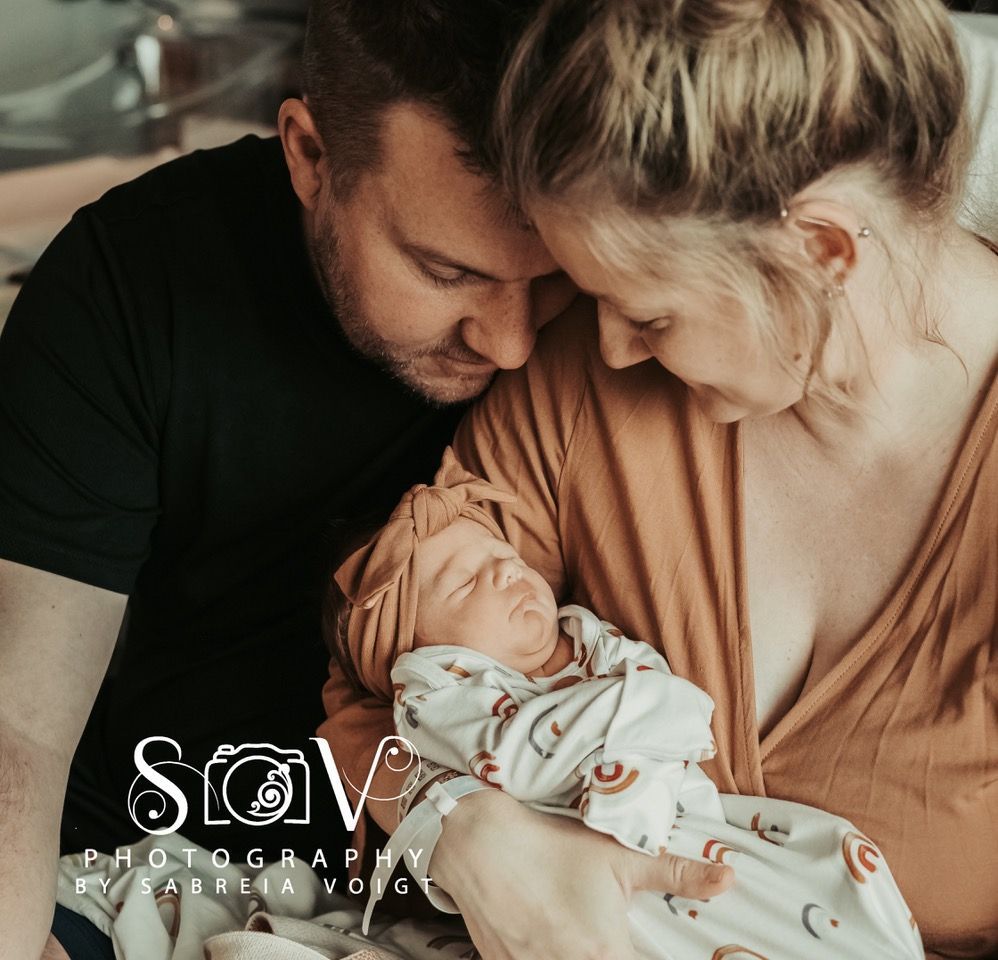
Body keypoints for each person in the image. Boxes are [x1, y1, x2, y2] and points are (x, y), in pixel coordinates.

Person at [318, 2, 998, 958]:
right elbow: (373, 684)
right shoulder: (582, 387)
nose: (610, 349)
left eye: (650, 315)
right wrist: (464, 833)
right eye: (592, 297)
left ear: (822, 253)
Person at [0, 2, 618, 958]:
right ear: (310, 154)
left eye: (550, 278)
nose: (512, 340)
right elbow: (16, 730)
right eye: (446, 272)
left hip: (475, 901)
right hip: (144, 871)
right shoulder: (135, 281)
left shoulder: (626, 313)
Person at [328, 452, 925, 959]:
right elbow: (525, 755)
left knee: (833, 862)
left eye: (502, 554)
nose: (506, 568)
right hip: (585, 859)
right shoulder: (441, 694)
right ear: (414, 655)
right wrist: (645, 713)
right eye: (464, 582)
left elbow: (673, 703)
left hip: (700, 823)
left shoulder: (586, 637)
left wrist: (644, 709)